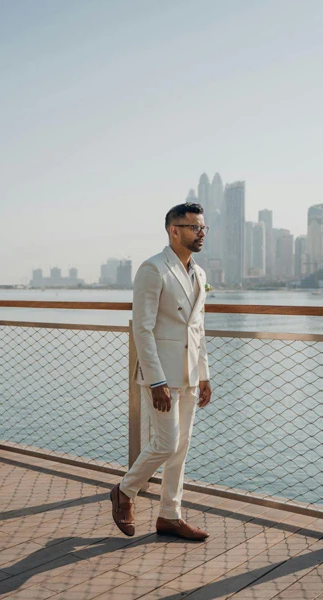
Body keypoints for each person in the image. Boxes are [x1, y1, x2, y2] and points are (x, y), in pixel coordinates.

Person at [110, 202, 213, 541]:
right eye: (194, 227)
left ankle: (170, 514)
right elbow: (143, 329)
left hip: (189, 373)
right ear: (174, 230)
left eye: (203, 228)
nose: (201, 233)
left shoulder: (199, 274)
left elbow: (197, 328)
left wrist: (204, 375)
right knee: (166, 444)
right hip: (162, 377)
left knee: (181, 447)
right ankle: (125, 491)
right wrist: (156, 380)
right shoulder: (152, 269)